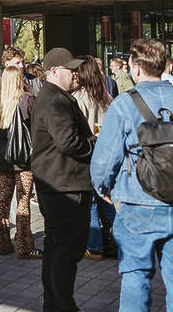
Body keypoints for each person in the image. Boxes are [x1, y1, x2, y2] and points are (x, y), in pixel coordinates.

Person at [91, 40, 173, 309]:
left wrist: (103, 188)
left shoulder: (124, 104)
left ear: (136, 68)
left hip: (138, 200)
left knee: (136, 275)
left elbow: (105, 159)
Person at [31, 47, 95, 312]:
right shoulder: (55, 100)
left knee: (57, 249)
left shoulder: (52, 96)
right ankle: (62, 305)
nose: (77, 74)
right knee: (66, 252)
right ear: (55, 71)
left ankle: (54, 304)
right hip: (65, 186)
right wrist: (94, 144)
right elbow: (69, 142)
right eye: (72, 70)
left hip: (59, 182)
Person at [0, 65, 40, 259]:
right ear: (19, 80)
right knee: (23, 200)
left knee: (4, 198)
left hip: (1, 156)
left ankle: (2, 243)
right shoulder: (26, 100)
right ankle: (25, 246)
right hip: (21, 156)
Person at [72, 56, 115, 260]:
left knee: (91, 201)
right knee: (106, 198)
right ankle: (120, 238)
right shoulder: (105, 96)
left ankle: (94, 245)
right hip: (107, 152)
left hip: (89, 153)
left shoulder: (80, 98)